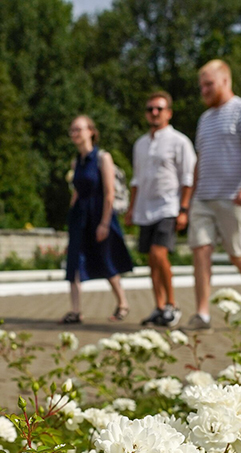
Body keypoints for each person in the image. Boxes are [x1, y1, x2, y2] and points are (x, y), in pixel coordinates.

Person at [186, 59, 241, 330]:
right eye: (201, 87)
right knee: (200, 251)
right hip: (203, 198)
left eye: (209, 85)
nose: (204, 91)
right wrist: (190, 197)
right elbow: (201, 159)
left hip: (235, 196)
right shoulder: (204, 119)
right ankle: (202, 314)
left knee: (238, 253)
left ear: (225, 81)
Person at [126, 90, 195, 328]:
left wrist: (184, 209)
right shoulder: (141, 144)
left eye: (159, 109)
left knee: (159, 253)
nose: (154, 113)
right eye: (150, 109)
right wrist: (130, 209)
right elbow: (136, 180)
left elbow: (188, 178)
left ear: (169, 113)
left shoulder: (179, 141)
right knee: (151, 261)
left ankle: (172, 306)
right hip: (145, 209)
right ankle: (159, 306)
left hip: (169, 206)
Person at [63, 114, 133, 324]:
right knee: (74, 262)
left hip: (99, 214)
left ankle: (123, 303)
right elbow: (77, 191)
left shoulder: (103, 158)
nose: (75, 133)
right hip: (80, 217)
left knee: (106, 258)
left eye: (79, 129)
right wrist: (70, 217)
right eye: (72, 130)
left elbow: (109, 192)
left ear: (91, 132)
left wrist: (104, 223)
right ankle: (75, 311)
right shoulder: (76, 162)